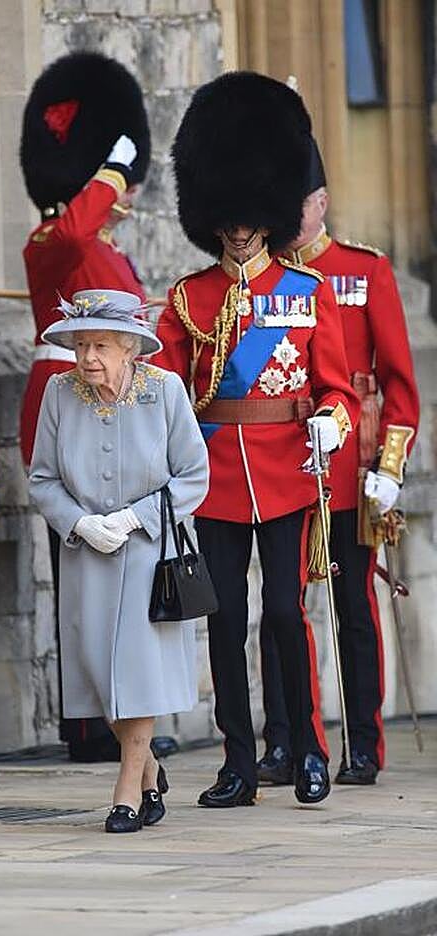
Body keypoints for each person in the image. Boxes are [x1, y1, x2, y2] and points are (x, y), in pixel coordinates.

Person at [153, 72, 360, 807]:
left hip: (285, 474)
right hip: (215, 478)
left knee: (283, 614)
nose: (239, 229)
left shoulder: (307, 294)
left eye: (249, 217)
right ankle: (238, 762)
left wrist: (332, 422)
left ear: (269, 216)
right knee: (225, 621)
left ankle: (306, 747)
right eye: (229, 218)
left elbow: (336, 388)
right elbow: (164, 385)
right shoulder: (189, 299)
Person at [257, 139, 420, 787]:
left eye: (296, 202)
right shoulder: (264, 277)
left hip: (350, 462)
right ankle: (285, 740)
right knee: (279, 606)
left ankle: (362, 743)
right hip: (282, 459)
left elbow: (398, 379)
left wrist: (390, 465)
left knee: (353, 605)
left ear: (320, 202)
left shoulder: (363, 270)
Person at [29, 290, 209, 832]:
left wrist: (135, 519)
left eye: (101, 346)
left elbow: (194, 476)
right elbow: (42, 478)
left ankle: (127, 791)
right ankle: (150, 769)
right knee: (99, 674)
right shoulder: (59, 393)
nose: (88, 357)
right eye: (81, 345)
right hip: (87, 556)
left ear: (130, 347)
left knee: (137, 670)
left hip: (151, 553)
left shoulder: (165, 390)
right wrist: (80, 523)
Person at [20, 52, 151, 762]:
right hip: (69, 409)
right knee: (80, 566)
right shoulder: (55, 242)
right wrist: (114, 171)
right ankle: (88, 722)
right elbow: (73, 231)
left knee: (119, 569)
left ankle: (116, 711)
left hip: (117, 411)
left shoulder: (104, 249)